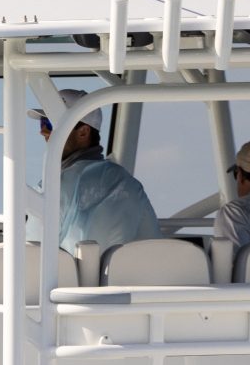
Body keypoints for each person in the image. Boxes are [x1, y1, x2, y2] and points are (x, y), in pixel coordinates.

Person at [37, 96, 160, 253]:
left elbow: (30, 249)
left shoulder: (60, 182)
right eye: (42, 121)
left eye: (49, 123)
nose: (42, 131)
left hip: (73, 277)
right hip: (140, 276)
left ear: (83, 132)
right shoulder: (125, 179)